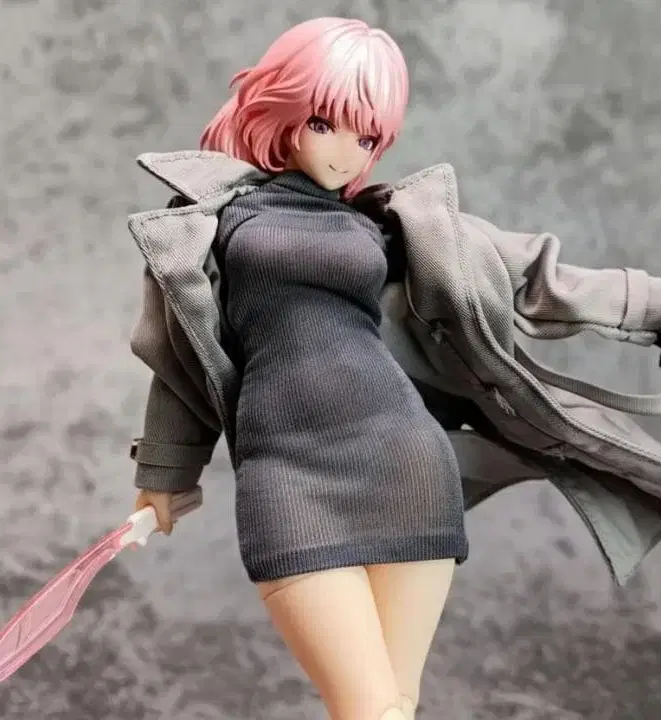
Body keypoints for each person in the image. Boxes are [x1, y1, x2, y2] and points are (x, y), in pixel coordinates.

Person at [133, 17, 465, 720]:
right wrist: (165, 470)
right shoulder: (213, 218)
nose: (347, 152)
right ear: (282, 110)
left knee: (392, 706)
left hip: (406, 462)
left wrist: (652, 309)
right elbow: (177, 356)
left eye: (367, 137)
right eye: (324, 123)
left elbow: (522, 273)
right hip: (287, 477)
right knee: (368, 707)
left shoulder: (379, 223)